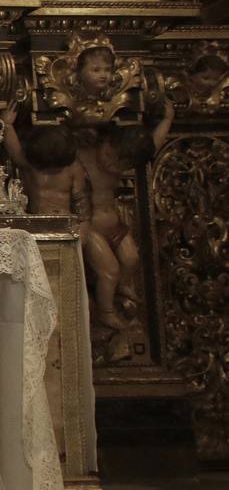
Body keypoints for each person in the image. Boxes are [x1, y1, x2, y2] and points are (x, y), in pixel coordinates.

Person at [76, 102, 174, 361]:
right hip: (92, 226)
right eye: (110, 156)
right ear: (105, 141)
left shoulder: (125, 155)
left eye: (122, 163)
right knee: (109, 269)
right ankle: (105, 312)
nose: (113, 165)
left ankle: (119, 291)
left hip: (115, 225)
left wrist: (167, 120)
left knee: (131, 259)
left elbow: (153, 143)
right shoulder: (84, 156)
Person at [2, 104, 93, 221]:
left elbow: (83, 207)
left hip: (65, 223)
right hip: (38, 222)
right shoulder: (31, 166)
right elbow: (15, 151)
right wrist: (7, 125)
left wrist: (81, 235)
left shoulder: (73, 169)